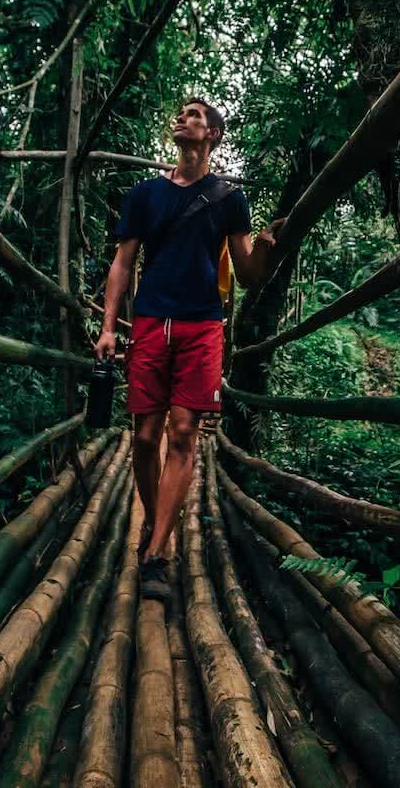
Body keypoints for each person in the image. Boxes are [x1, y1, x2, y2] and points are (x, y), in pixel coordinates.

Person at [94, 98, 283, 601]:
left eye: (196, 115)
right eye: (180, 113)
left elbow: (246, 273)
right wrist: (110, 327)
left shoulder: (229, 198)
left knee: (182, 432)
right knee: (143, 436)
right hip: (152, 321)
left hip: (203, 325)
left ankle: (155, 550)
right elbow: (122, 264)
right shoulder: (145, 194)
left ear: (213, 135)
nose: (183, 118)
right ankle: (160, 528)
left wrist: (263, 245)